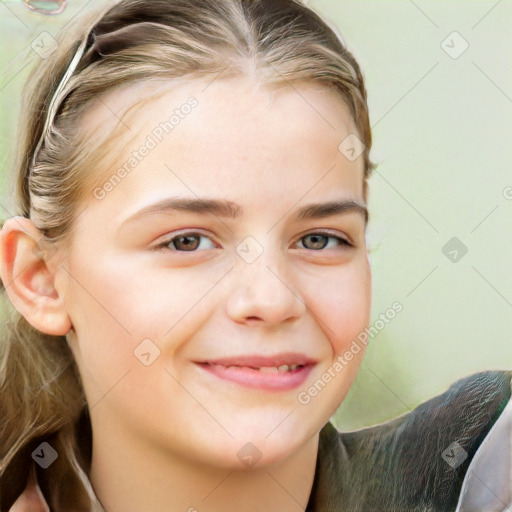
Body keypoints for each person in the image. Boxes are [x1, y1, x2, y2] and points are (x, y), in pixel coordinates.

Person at [0, 1, 510, 511]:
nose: (271, 299)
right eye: (187, 241)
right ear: (40, 278)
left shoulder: (483, 468)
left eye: (319, 239)